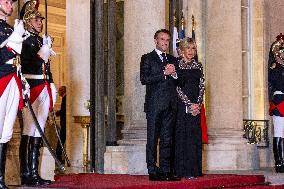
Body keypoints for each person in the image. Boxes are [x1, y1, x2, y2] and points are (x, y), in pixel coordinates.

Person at [19, 0, 56, 186]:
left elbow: (46, 68)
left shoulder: (41, 40)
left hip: (42, 86)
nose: (39, 22)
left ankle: (34, 172)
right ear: (27, 21)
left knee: (38, 131)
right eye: (35, 20)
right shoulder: (24, 40)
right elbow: (30, 64)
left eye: (40, 19)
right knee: (28, 129)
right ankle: (25, 173)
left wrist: (51, 84)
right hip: (31, 86)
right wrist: (44, 51)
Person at [140, 29, 180, 181]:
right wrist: (164, 73)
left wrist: (175, 73)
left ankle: (165, 170)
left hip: (171, 105)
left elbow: (180, 81)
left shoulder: (173, 59)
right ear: (155, 40)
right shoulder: (147, 58)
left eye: (167, 40)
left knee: (167, 139)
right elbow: (144, 79)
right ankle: (152, 170)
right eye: (162, 39)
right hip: (154, 105)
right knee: (152, 139)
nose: (165, 42)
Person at [0, 0, 25, 188]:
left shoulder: (10, 28)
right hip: (1, 78)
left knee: (6, 131)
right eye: (7, 2)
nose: (11, 6)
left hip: (12, 79)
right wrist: (11, 45)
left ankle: (1, 179)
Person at [174, 38, 205, 179]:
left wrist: (197, 104)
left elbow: (201, 86)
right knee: (182, 137)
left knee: (195, 138)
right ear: (181, 50)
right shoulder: (177, 66)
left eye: (193, 48)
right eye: (188, 48)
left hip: (196, 107)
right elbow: (177, 87)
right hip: (181, 106)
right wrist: (188, 104)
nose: (191, 51)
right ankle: (182, 171)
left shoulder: (198, 66)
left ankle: (194, 170)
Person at [268, 33, 284, 173]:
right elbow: (278, 84)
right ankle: (279, 162)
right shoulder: (275, 69)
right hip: (280, 101)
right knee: (279, 132)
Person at [55, 86, 66, 165]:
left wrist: (57, 113)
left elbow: (64, 110)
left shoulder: (65, 99)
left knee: (61, 141)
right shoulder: (64, 98)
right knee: (61, 140)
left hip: (65, 124)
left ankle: (58, 157)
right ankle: (58, 157)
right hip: (64, 123)